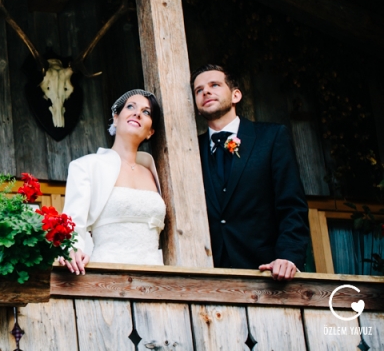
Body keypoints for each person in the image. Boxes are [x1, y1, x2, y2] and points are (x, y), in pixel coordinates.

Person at [191, 64, 309, 281]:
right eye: (199, 90)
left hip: (267, 273)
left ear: (236, 95)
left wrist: (288, 256)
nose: (205, 91)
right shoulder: (189, 151)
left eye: (214, 85)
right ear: (197, 106)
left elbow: (291, 204)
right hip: (208, 277)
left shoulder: (272, 138)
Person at [60, 89, 166, 275]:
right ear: (116, 118)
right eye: (130, 106)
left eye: (146, 112)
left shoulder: (155, 172)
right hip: (108, 275)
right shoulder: (86, 166)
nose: (137, 113)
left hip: (156, 275)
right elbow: (72, 223)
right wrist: (72, 249)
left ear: (150, 132)